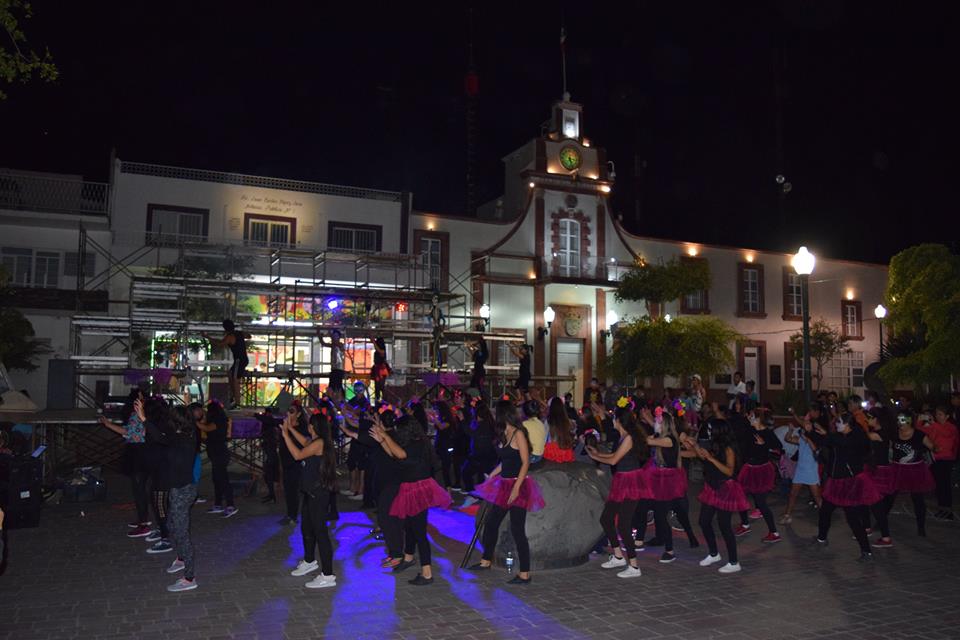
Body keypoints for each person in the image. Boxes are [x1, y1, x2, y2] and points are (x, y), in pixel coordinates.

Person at [469, 400, 545, 584]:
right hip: (505, 485)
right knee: (492, 523)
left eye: (497, 413)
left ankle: (525, 573)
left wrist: (517, 489)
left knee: (517, 529)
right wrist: (492, 475)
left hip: (518, 485)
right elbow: (506, 462)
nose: (494, 416)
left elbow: (525, 462)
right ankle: (486, 560)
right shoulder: (505, 433)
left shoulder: (519, 433)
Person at [372, 414, 451, 586]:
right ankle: (408, 558)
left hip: (418, 490)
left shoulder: (418, 443)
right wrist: (382, 441)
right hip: (409, 488)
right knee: (409, 526)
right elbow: (395, 455)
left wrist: (385, 436)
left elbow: (400, 454)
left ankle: (427, 573)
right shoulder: (410, 442)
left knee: (419, 532)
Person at [587, 407, 651, 578]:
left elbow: (614, 460)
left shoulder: (629, 438)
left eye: (614, 418)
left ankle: (634, 566)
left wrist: (596, 457)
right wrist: (597, 454)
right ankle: (618, 556)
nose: (612, 421)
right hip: (622, 480)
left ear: (619, 421)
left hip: (630, 482)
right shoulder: (624, 437)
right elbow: (615, 456)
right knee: (606, 518)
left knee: (623, 524)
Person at [811, 414, 882, 561]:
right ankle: (821, 538)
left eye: (840, 422)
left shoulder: (854, 438)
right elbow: (829, 442)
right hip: (836, 481)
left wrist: (824, 434)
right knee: (825, 511)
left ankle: (866, 550)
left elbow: (838, 442)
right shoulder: (841, 437)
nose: (837, 425)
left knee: (852, 518)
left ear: (848, 425)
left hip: (848, 483)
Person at [282, 405, 338, 588]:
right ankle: (309, 561)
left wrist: (285, 436)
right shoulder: (316, 441)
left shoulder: (320, 443)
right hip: (310, 493)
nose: (308, 427)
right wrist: (290, 429)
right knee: (307, 529)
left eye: (310, 425)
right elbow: (305, 442)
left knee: (320, 533)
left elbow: (298, 454)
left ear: (313, 427)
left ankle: (328, 575)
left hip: (319, 494)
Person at [684, 421, 748, 574]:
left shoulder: (728, 448)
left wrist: (712, 459)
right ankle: (714, 553)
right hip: (712, 486)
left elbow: (729, 471)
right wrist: (693, 444)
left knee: (724, 525)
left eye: (712, 429)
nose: (709, 432)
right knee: (703, 521)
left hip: (725, 487)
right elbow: (701, 455)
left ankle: (734, 562)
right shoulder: (713, 444)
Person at [641, 407, 698, 556]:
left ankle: (677, 545)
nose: (655, 423)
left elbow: (647, 441)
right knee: (666, 512)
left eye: (658, 421)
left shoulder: (669, 439)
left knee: (675, 512)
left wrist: (632, 429)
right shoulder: (661, 435)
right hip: (660, 478)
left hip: (669, 480)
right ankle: (674, 545)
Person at [98, 389, 152, 537]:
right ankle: (143, 519)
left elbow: (136, 432)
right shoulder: (136, 414)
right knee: (138, 488)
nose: (142, 398)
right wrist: (108, 424)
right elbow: (127, 431)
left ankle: (144, 522)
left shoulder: (146, 413)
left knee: (139, 488)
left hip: (141, 452)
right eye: (140, 396)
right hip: (137, 451)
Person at [881, 412, 936, 540]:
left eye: (903, 420)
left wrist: (936, 448)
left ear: (910, 421)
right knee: (889, 497)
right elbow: (890, 449)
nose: (900, 422)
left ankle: (921, 527)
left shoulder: (919, 435)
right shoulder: (894, 434)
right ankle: (881, 522)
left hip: (914, 470)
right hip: (898, 469)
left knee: (917, 499)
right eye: (898, 420)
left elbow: (932, 447)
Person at [163, 405, 201, 592]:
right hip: (178, 489)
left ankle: (189, 577)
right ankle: (180, 558)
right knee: (171, 525)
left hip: (182, 491)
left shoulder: (185, 439)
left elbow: (159, 437)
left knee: (181, 533)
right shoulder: (181, 435)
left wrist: (145, 421)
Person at [734, 410, 783, 543]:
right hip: (748, 469)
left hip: (761, 471)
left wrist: (765, 445)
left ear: (759, 419)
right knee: (740, 497)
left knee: (761, 503)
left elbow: (779, 448)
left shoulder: (767, 433)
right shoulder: (749, 429)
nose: (750, 418)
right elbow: (738, 433)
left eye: (753, 416)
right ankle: (745, 524)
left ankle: (774, 533)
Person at [780, 407, 823, 524]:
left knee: (817, 497)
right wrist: (790, 430)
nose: (806, 424)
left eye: (808, 423)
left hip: (811, 470)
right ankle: (787, 515)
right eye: (805, 423)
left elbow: (815, 451)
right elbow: (788, 439)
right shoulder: (801, 438)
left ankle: (825, 517)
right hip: (800, 470)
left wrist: (807, 439)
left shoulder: (816, 437)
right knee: (793, 494)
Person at [197, 401, 238, 518]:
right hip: (216, 454)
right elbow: (204, 423)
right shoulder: (215, 419)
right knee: (217, 480)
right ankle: (218, 504)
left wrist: (194, 421)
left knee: (223, 480)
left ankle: (231, 505)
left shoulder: (219, 420)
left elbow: (206, 428)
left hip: (220, 454)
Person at [917, 406, 958, 520]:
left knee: (945, 485)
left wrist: (932, 423)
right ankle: (942, 509)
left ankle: (947, 510)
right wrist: (920, 420)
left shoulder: (951, 427)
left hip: (946, 459)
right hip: (935, 458)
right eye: (937, 414)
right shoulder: (935, 426)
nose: (937, 416)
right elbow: (920, 430)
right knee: (939, 485)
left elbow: (945, 433)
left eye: (940, 414)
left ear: (947, 416)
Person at [203, 319, 250, 409]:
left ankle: (237, 403)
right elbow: (249, 336)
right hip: (242, 360)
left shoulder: (230, 336)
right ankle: (234, 398)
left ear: (225, 328)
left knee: (235, 380)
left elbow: (220, 344)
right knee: (230, 374)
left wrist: (208, 337)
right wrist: (243, 333)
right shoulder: (238, 333)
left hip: (239, 361)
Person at [278, 403, 308, 524]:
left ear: (299, 414)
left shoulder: (302, 427)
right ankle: (289, 514)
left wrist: (289, 429)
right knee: (288, 489)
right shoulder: (285, 425)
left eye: (292, 411)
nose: (289, 413)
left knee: (295, 490)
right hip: (286, 461)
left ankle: (293, 516)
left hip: (296, 462)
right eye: (288, 411)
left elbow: (303, 444)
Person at [460, 399, 498, 494]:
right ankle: (481, 494)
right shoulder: (490, 423)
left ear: (479, 415)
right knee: (482, 476)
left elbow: (471, 433)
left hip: (479, 455)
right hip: (488, 455)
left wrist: (462, 420)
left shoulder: (483, 425)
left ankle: (471, 492)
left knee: (466, 472)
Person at [257, 407, 280, 504]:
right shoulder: (270, 426)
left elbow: (270, 441)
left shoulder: (270, 426)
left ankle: (272, 496)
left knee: (268, 475)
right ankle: (271, 495)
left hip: (271, 455)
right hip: (270, 454)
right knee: (268, 476)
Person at [543, 396, 576, 463]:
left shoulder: (548, 421)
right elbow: (573, 433)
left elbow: (544, 436)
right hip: (565, 449)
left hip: (552, 450)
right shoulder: (568, 421)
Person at [319, 328, 346, 395]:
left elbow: (335, 343)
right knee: (332, 386)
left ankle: (340, 398)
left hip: (339, 369)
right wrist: (319, 335)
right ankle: (332, 398)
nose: (334, 337)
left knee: (338, 386)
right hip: (334, 369)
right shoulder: (333, 345)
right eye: (334, 336)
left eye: (336, 336)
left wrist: (330, 334)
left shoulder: (340, 344)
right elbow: (323, 343)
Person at [370, 336, 391, 405]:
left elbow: (380, 351)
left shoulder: (382, 351)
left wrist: (373, 341)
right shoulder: (379, 351)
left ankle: (384, 401)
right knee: (377, 386)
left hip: (381, 370)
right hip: (378, 369)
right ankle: (378, 401)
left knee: (381, 386)